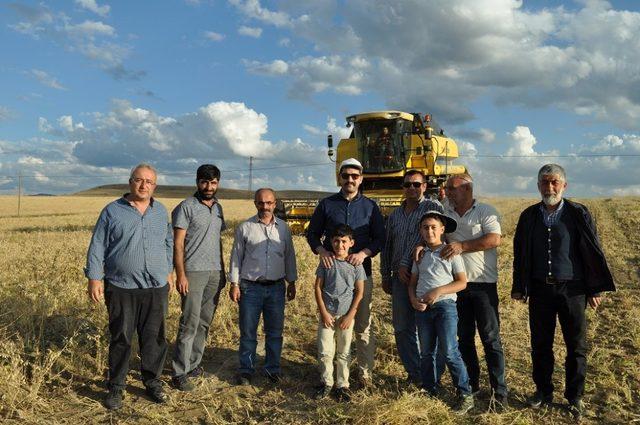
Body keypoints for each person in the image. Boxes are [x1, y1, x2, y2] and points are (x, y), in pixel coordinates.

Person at [512, 164, 615, 419]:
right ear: (538, 186)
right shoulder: (528, 216)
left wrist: (594, 288)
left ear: (564, 185)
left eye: (554, 182)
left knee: (576, 346)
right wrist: (520, 286)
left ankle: (575, 396)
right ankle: (543, 391)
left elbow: (592, 250)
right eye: (544, 183)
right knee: (540, 345)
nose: (549, 187)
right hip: (540, 290)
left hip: (574, 290)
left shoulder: (578, 212)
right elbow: (521, 254)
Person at [85, 163, 173, 410]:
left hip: (156, 286)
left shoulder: (160, 211)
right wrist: (94, 277)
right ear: (130, 181)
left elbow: (167, 242)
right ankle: (116, 387)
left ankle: (152, 381)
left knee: (154, 338)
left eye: (149, 181)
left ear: (154, 186)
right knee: (121, 337)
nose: (144, 185)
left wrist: (168, 271)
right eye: (139, 180)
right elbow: (98, 245)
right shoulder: (112, 211)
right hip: (121, 287)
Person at [307, 158, 385, 389]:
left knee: (361, 325)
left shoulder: (371, 207)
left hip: (361, 275)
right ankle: (330, 377)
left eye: (354, 176)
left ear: (361, 179)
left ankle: (364, 374)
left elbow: (380, 238)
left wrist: (363, 253)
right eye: (346, 176)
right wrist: (322, 251)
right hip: (332, 279)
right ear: (339, 178)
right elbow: (312, 234)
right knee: (331, 326)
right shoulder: (326, 205)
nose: (350, 180)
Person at [441, 173, 508, 406]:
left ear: (468, 189)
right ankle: (473, 384)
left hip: (483, 284)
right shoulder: (444, 212)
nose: (447, 192)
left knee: (490, 338)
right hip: (456, 285)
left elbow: (493, 240)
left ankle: (499, 391)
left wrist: (461, 246)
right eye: (447, 188)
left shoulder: (485, 211)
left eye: (452, 188)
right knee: (464, 338)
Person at [229, 188, 297, 385]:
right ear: (255, 203)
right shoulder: (245, 228)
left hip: (276, 288)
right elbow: (236, 258)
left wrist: (291, 282)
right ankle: (246, 370)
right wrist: (234, 284)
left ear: (275, 204)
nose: (265, 207)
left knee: (275, 332)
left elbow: (289, 256)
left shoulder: (284, 228)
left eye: (269, 203)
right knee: (248, 332)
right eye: (261, 203)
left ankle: (272, 369)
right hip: (250, 288)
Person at [408, 211, 474, 415]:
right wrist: (412, 300)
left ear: (442, 230)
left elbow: (462, 282)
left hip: (445, 307)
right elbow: (412, 283)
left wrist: (438, 291)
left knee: (449, 351)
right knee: (426, 352)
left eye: (433, 227)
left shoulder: (450, 252)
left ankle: (464, 393)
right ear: (420, 230)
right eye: (425, 227)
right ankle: (430, 388)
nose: (429, 231)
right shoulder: (420, 254)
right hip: (423, 309)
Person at [381, 170, 442, 385]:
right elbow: (387, 246)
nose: (412, 189)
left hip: (427, 278)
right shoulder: (395, 215)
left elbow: (432, 236)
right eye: (407, 185)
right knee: (402, 328)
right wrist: (386, 274)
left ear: (425, 186)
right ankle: (415, 373)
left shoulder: (433, 208)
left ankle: (431, 374)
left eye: (417, 184)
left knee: (427, 328)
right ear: (403, 187)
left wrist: (409, 259)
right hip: (399, 279)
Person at [170, 164, 226, 391]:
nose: (209, 187)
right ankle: (179, 371)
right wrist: (180, 274)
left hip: (215, 273)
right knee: (189, 322)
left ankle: (194, 363)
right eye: (205, 182)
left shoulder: (219, 208)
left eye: (213, 182)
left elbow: (218, 242)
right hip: (192, 272)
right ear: (197, 182)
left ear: (218, 183)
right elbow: (177, 243)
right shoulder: (186, 207)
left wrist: (223, 271)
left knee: (204, 322)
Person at [314, 225, 366, 402]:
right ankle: (326, 382)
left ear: (351, 242)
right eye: (336, 241)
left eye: (344, 241)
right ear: (330, 242)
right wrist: (323, 312)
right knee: (325, 351)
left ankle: (342, 385)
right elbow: (318, 288)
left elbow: (359, 292)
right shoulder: (326, 262)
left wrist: (351, 315)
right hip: (327, 315)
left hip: (346, 316)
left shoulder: (356, 265)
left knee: (344, 352)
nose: (340, 245)